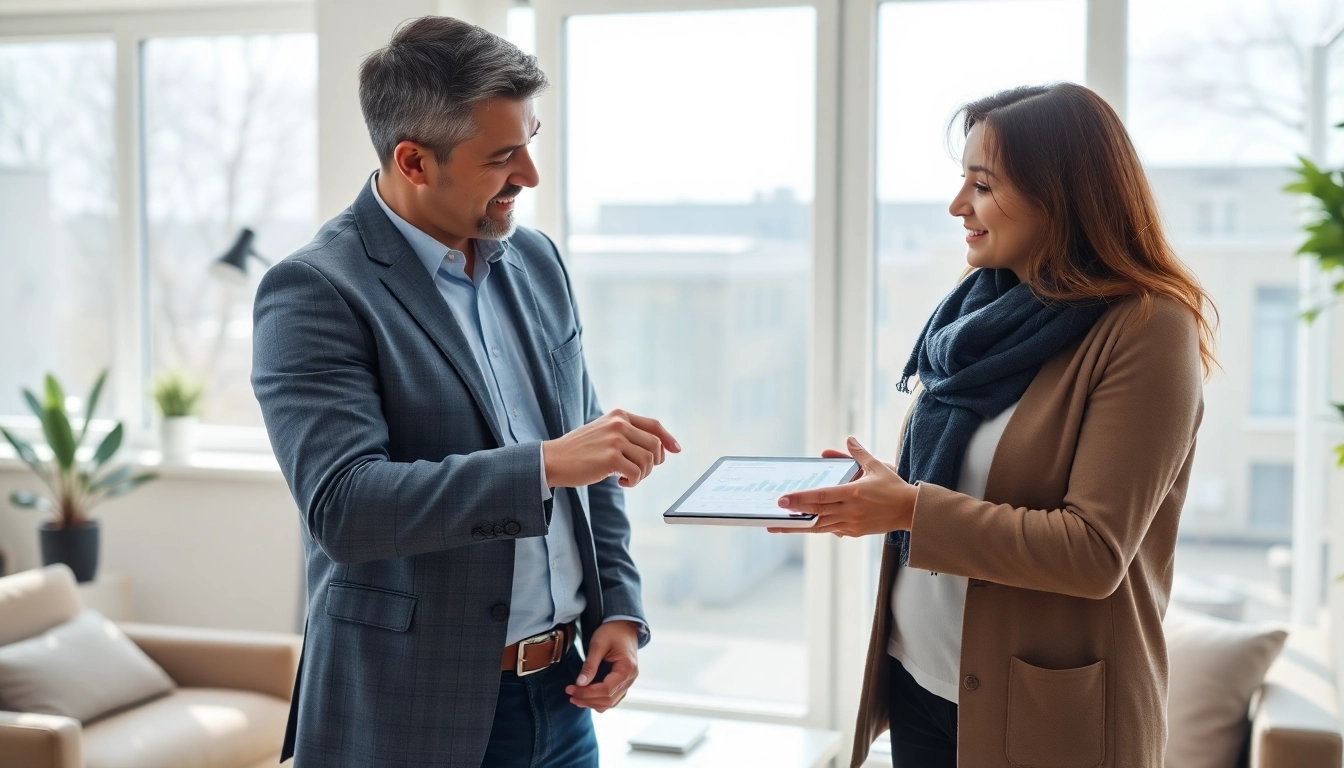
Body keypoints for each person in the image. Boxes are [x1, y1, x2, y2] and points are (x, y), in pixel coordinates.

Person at [251, 17, 679, 768]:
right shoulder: (314, 291)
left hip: (562, 700)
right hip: (410, 715)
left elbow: (591, 455)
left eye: (531, 142)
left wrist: (618, 613)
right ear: (414, 160)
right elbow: (345, 507)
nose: (530, 176)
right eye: (503, 156)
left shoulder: (536, 262)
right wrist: (543, 464)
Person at [773, 83, 1214, 768]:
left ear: (1062, 194)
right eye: (963, 182)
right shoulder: (979, 312)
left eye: (982, 185)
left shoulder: (1147, 326)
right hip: (921, 685)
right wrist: (881, 496)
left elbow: (1093, 551)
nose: (958, 207)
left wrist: (912, 508)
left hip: (1045, 719)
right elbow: (966, 485)